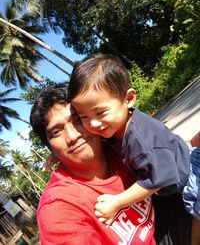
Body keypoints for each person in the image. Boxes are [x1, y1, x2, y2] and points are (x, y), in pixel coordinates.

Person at [68, 52, 200, 228]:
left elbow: (158, 179)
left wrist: (117, 202)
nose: (93, 123)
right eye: (83, 116)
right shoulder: (115, 127)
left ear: (128, 99)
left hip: (193, 179)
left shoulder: (140, 138)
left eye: (100, 112)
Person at [30, 83, 155, 245]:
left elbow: (170, 153)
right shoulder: (59, 210)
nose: (72, 136)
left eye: (77, 119)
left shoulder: (120, 146)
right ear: (51, 150)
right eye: (56, 132)